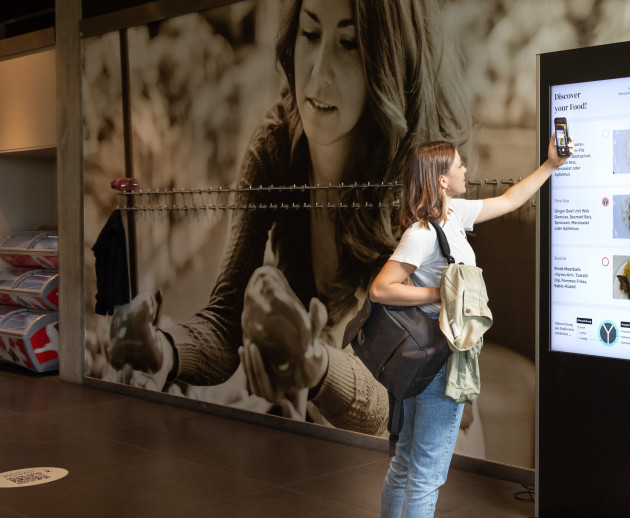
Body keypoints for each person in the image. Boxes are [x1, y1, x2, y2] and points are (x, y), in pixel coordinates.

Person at [109, 0, 472, 434]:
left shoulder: (423, 186)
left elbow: (393, 393)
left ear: (388, 60)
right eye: (310, 34)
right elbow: (225, 320)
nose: (319, 73)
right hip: (334, 432)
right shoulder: (277, 147)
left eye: (348, 43)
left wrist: (311, 363)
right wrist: (161, 349)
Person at [369, 133, 572, 518]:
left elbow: (508, 199)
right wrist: (438, 295)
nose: (465, 171)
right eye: (459, 166)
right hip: (436, 363)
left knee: (404, 464)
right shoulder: (421, 233)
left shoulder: (452, 217)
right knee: (426, 472)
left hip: (422, 363)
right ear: (442, 178)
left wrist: (550, 165)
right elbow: (382, 288)